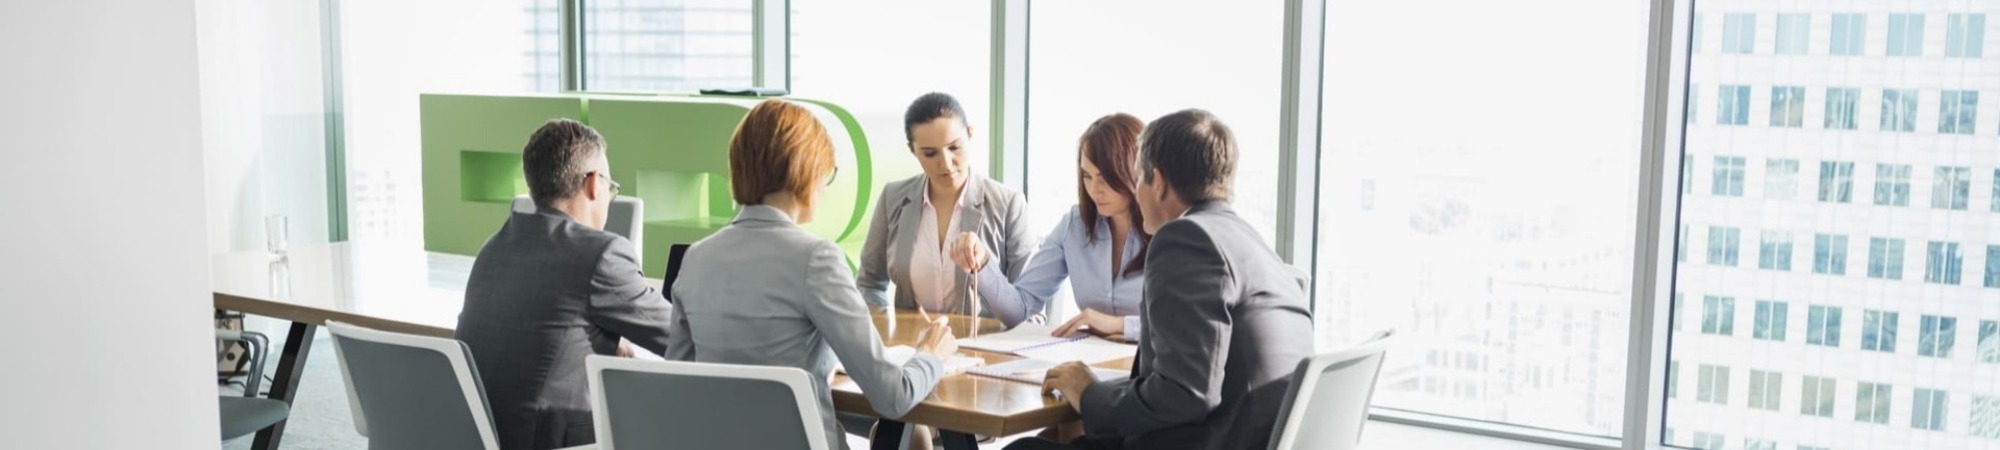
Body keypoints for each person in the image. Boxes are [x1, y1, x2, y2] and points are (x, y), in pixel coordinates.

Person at [1008, 109, 1314, 450]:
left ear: (1160, 182)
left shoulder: (1186, 239)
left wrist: (1090, 394)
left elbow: (1187, 394)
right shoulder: (1247, 241)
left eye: (1139, 178)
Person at [666, 99, 959, 450]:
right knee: (914, 440)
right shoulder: (816, 258)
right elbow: (892, 397)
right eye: (827, 173)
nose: (824, 187)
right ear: (805, 170)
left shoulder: (696, 258)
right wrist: (931, 355)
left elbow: (676, 386)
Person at [457, 118, 674, 450]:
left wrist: (598, 342)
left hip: (482, 437)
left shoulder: (494, 246)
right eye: (610, 186)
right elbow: (680, 338)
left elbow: (539, 331)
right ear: (592, 183)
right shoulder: (602, 254)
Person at [950, 113, 1150, 338]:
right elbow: (1020, 309)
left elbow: (1187, 328)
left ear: (1135, 171)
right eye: (1087, 176)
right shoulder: (1074, 226)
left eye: (1105, 177)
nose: (1094, 189)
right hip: (1092, 363)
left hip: (1151, 367)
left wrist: (1120, 325)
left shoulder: (1169, 231)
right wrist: (983, 262)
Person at [857, 92, 1035, 317]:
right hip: (914, 349)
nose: (946, 163)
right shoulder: (892, 199)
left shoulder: (1009, 205)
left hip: (985, 347)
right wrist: (888, 328)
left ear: (970, 134)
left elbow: (1030, 310)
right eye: (930, 153)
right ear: (913, 151)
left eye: (954, 148)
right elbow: (868, 284)